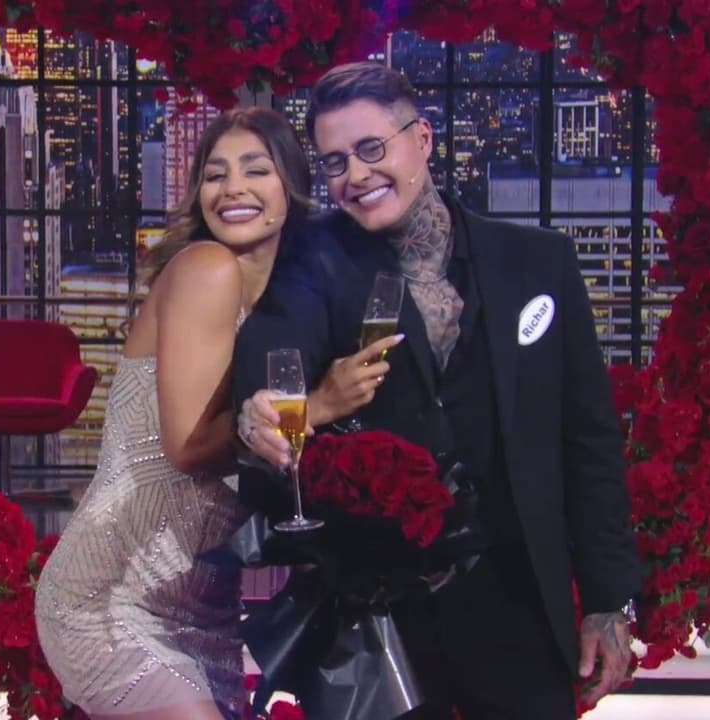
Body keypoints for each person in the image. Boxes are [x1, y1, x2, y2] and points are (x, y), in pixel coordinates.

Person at [234, 62, 642, 719]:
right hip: (377, 614)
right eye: (335, 162)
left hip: (515, 602)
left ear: (421, 139)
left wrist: (607, 599)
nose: (356, 175)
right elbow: (270, 366)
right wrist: (264, 409)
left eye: (372, 149)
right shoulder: (310, 260)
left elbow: (588, 440)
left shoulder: (538, 263)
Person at [33, 107, 397, 720]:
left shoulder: (292, 303)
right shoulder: (208, 270)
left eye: (255, 170)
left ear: (291, 185)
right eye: (215, 174)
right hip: (114, 596)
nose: (232, 188)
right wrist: (318, 404)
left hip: (207, 607)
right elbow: (185, 448)